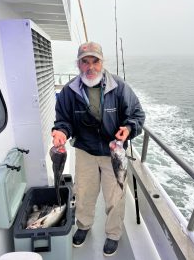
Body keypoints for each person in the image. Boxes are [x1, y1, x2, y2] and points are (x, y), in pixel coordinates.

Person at [52, 42, 145, 256]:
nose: (90, 66)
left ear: (103, 63)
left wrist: (129, 129)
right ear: (78, 64)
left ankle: (113, 233)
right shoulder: (69, 91)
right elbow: (63, 120)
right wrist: (61, 132)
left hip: (113, 152)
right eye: (85, 61)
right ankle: (83, 226)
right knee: (84, 193)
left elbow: (138, 115)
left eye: (95, 61)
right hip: (85, 151)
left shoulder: (120, 87)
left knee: (115, 196)